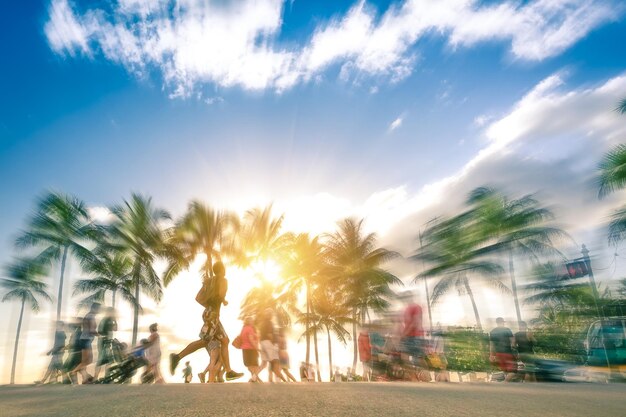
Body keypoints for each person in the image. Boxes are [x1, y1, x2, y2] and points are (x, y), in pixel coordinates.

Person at [169, 262, 243, 381]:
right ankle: (177, 357)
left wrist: (209, 304)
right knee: (204, 342)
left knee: (225, 340)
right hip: (212, 315)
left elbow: (198, 298)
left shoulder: (208, 281)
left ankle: (229, 371)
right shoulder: (223, 280)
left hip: (210, 313)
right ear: (223, 270)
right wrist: (223, 300)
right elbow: (220, 294)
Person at [72, 303, 100, 383]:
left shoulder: (89, 315)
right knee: (87, 361)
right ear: (94, 308)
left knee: (86, 361)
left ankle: (84, 379)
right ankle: (73, 372)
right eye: (98, 309)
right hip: (85, 340)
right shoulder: (91, 316)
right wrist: (100, 335)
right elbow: (91, 330)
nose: (99, 311)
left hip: (85, 340)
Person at [258, 308, 286, 382]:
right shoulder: (269, 323)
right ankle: (284, 380)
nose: (271, 315)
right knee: (275, 362)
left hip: (262, 343)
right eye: (271, 314)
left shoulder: (262, 323)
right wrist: (273, 344)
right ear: (270, 315)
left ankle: (253, 377)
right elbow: (269, 334)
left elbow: (260, 335)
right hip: (268, 343)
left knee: (263, 363)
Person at [401, 293, 425, 367]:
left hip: (416, 336)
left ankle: (424, 376)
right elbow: (406, 323)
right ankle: (413, 375)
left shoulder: (417, 307)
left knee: (418, 359)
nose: (406, 299)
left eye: (407, 297)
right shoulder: (406, 309)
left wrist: (404, 334)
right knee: (405, 357)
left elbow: (415, 323)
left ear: (411, 297)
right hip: (408, 337)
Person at [489, 317, 516, 382]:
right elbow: (513, 341)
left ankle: (507, 385)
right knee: (514, 371)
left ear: (497, 323)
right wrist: (513, 348)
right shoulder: (507, 330)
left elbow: (491, 345)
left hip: (498, 353)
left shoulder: (492, 332)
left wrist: (491, 355)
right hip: (507, 352)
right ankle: (504, 383)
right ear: (503, 322)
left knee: (505, 370)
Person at [94, 308, 117, 380]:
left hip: (107, 342)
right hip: (104, 342)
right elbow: (100, 332)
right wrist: (105, 340)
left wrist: (115, 320)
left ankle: (106, 376)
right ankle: (96, 377)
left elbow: (115, 329)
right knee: (101, 360)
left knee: (108, 360)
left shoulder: (110, 320)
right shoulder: (105, 320)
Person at [240, 316, 262, 383]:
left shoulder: (243, 328)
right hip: (251, 349)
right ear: (249, 322)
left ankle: (254, 378)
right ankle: (254, 377)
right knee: (254, 365)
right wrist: (257, 348)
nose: (253, 322)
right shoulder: (250, 329)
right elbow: (251, 340)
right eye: (252, 321)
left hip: (244, 348)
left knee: (249, 365)